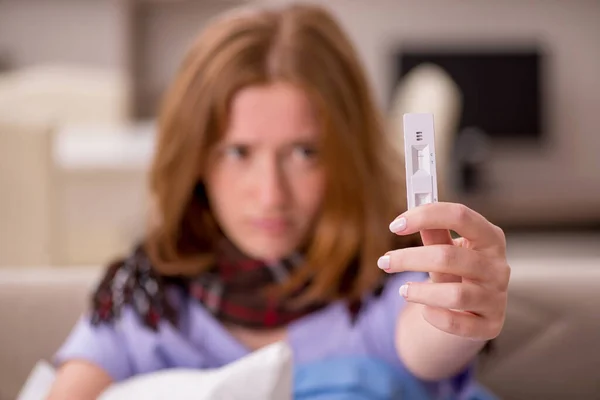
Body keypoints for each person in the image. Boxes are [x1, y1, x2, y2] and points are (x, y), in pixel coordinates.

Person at [47, 3, 509, 399]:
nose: (270, 195)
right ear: (195, 162)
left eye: (304, 153)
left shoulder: (383, 285)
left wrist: (460, 307)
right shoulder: (147, 305)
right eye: (238, 152)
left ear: (347, 156)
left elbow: (427, 335)